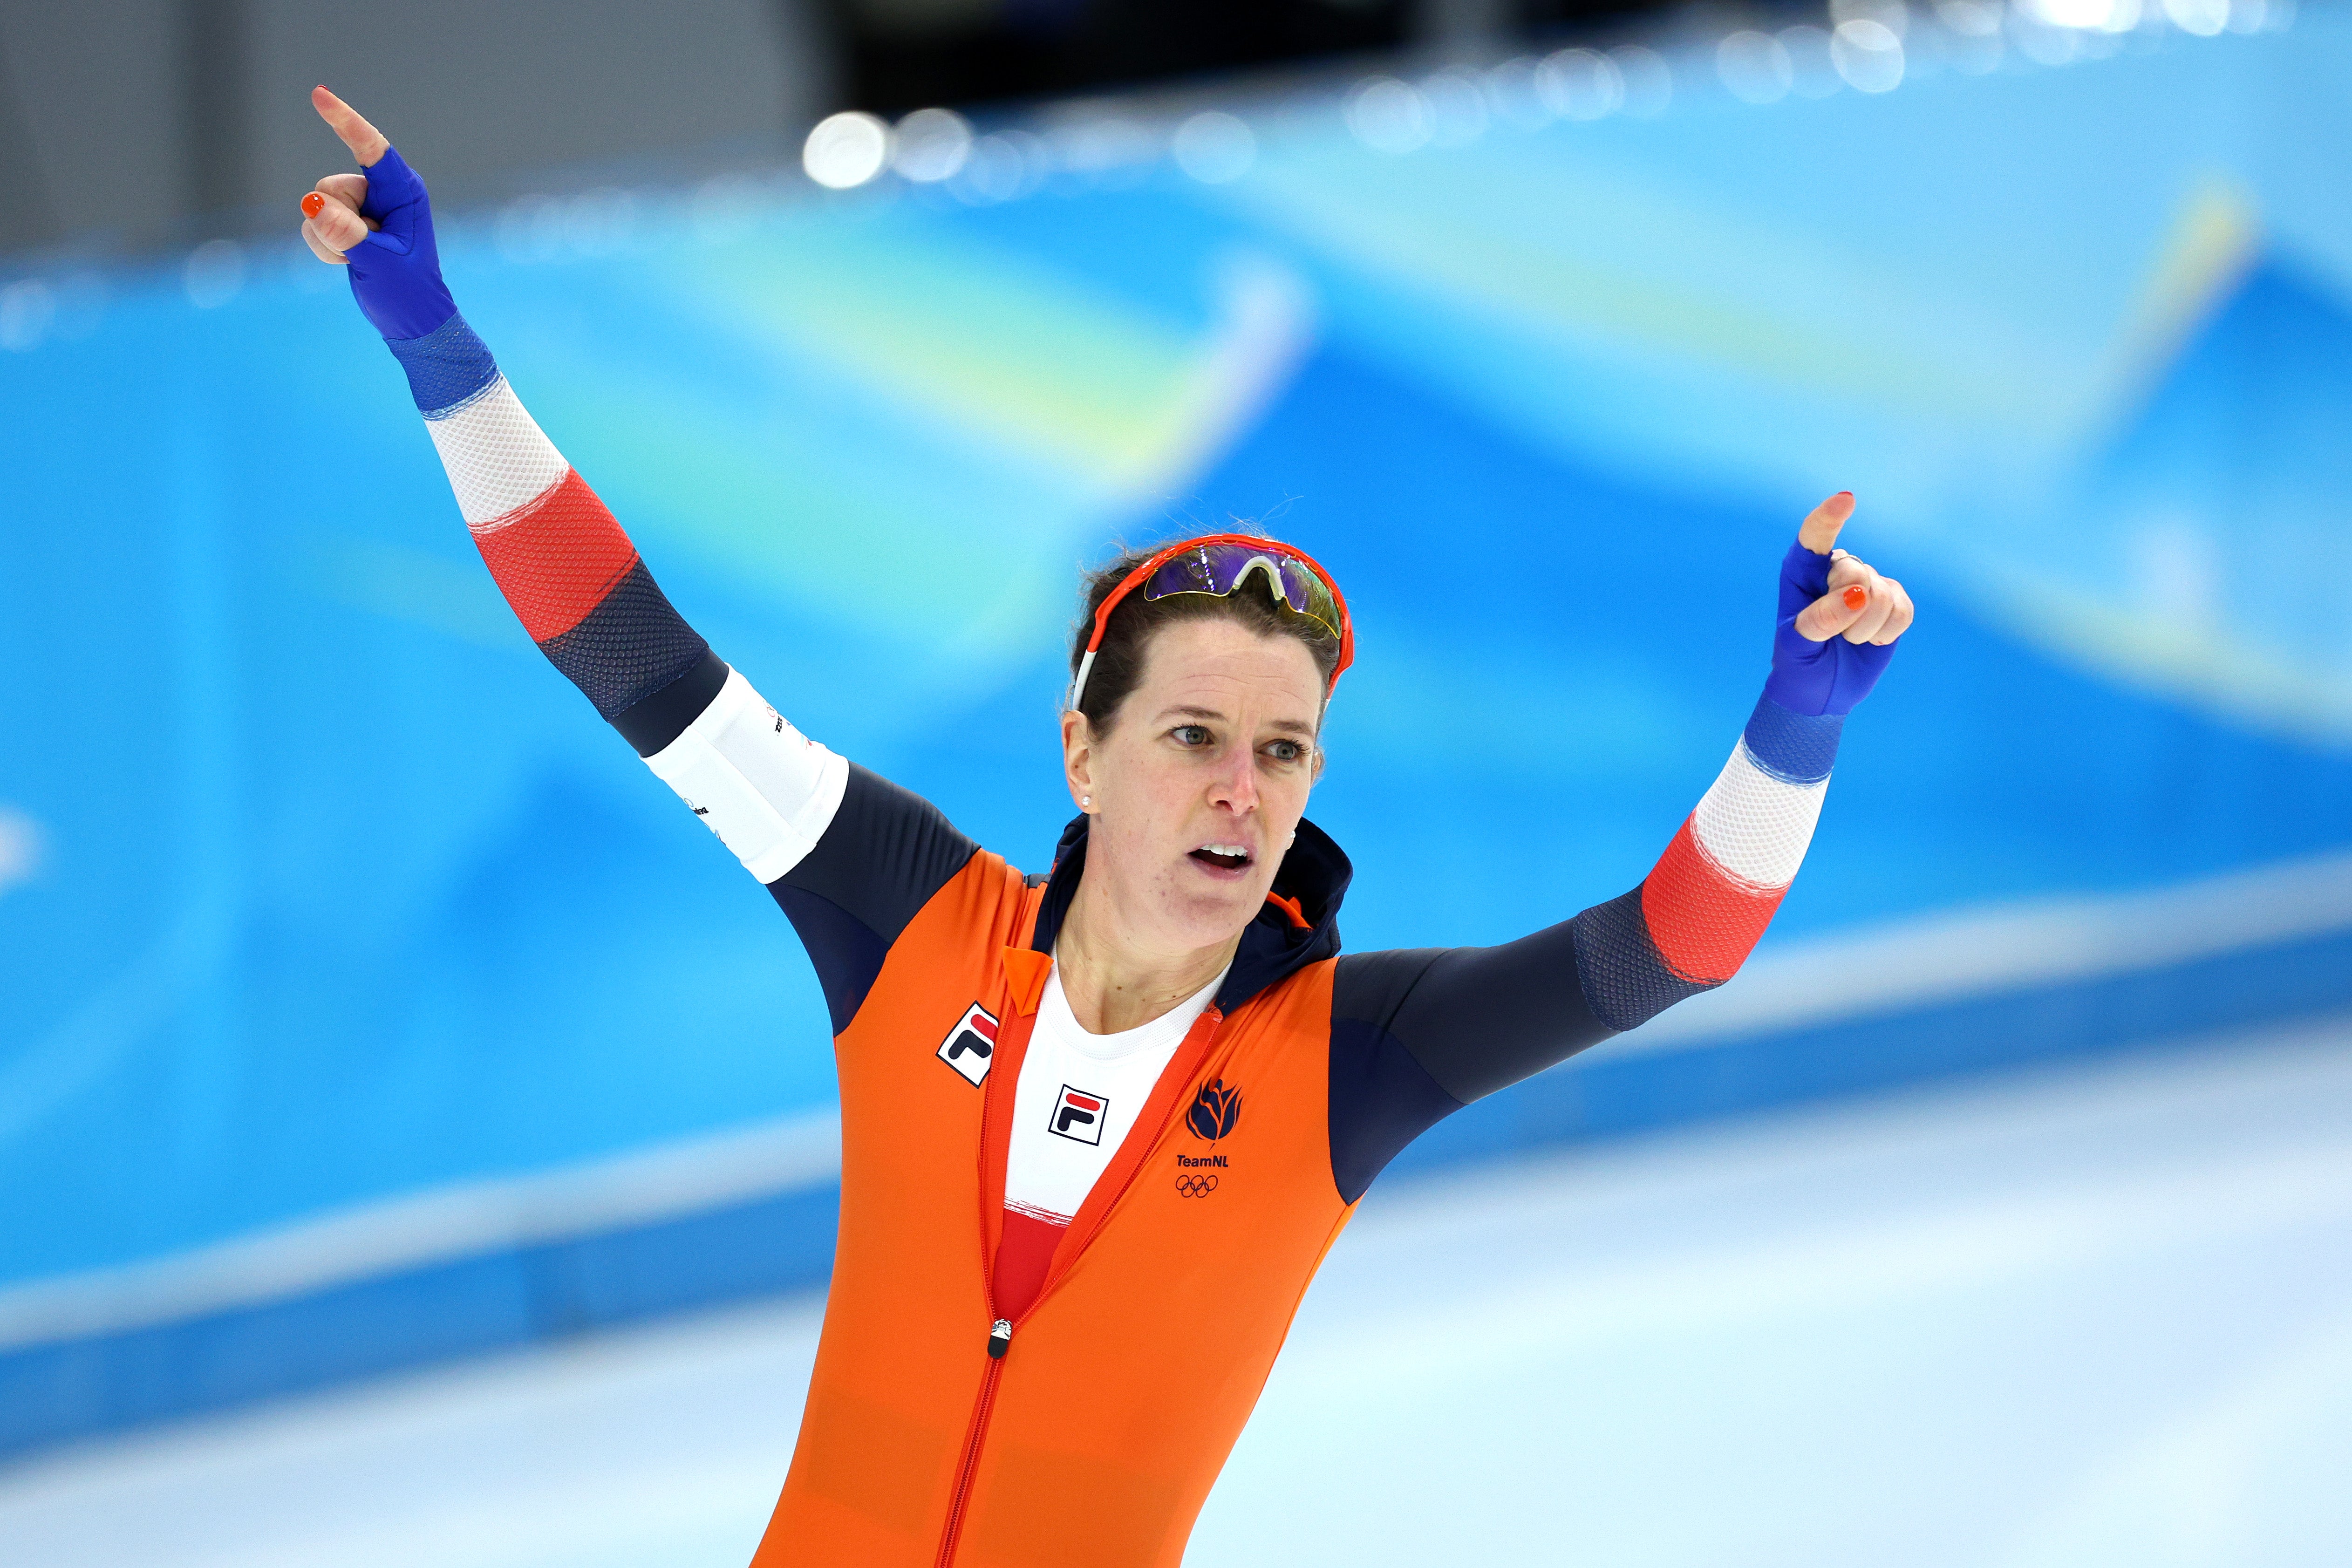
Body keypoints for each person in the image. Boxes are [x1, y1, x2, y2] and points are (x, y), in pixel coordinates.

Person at [298, 84, 1913, 1568]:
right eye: (1194, 736)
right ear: (1082, 752)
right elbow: (631, 653)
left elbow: (1663, 956)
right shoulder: (904, 912)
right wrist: (438, 344)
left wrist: (1795, 728)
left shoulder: (1350, 1057)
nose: (1242, 787)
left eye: (1284, 751)